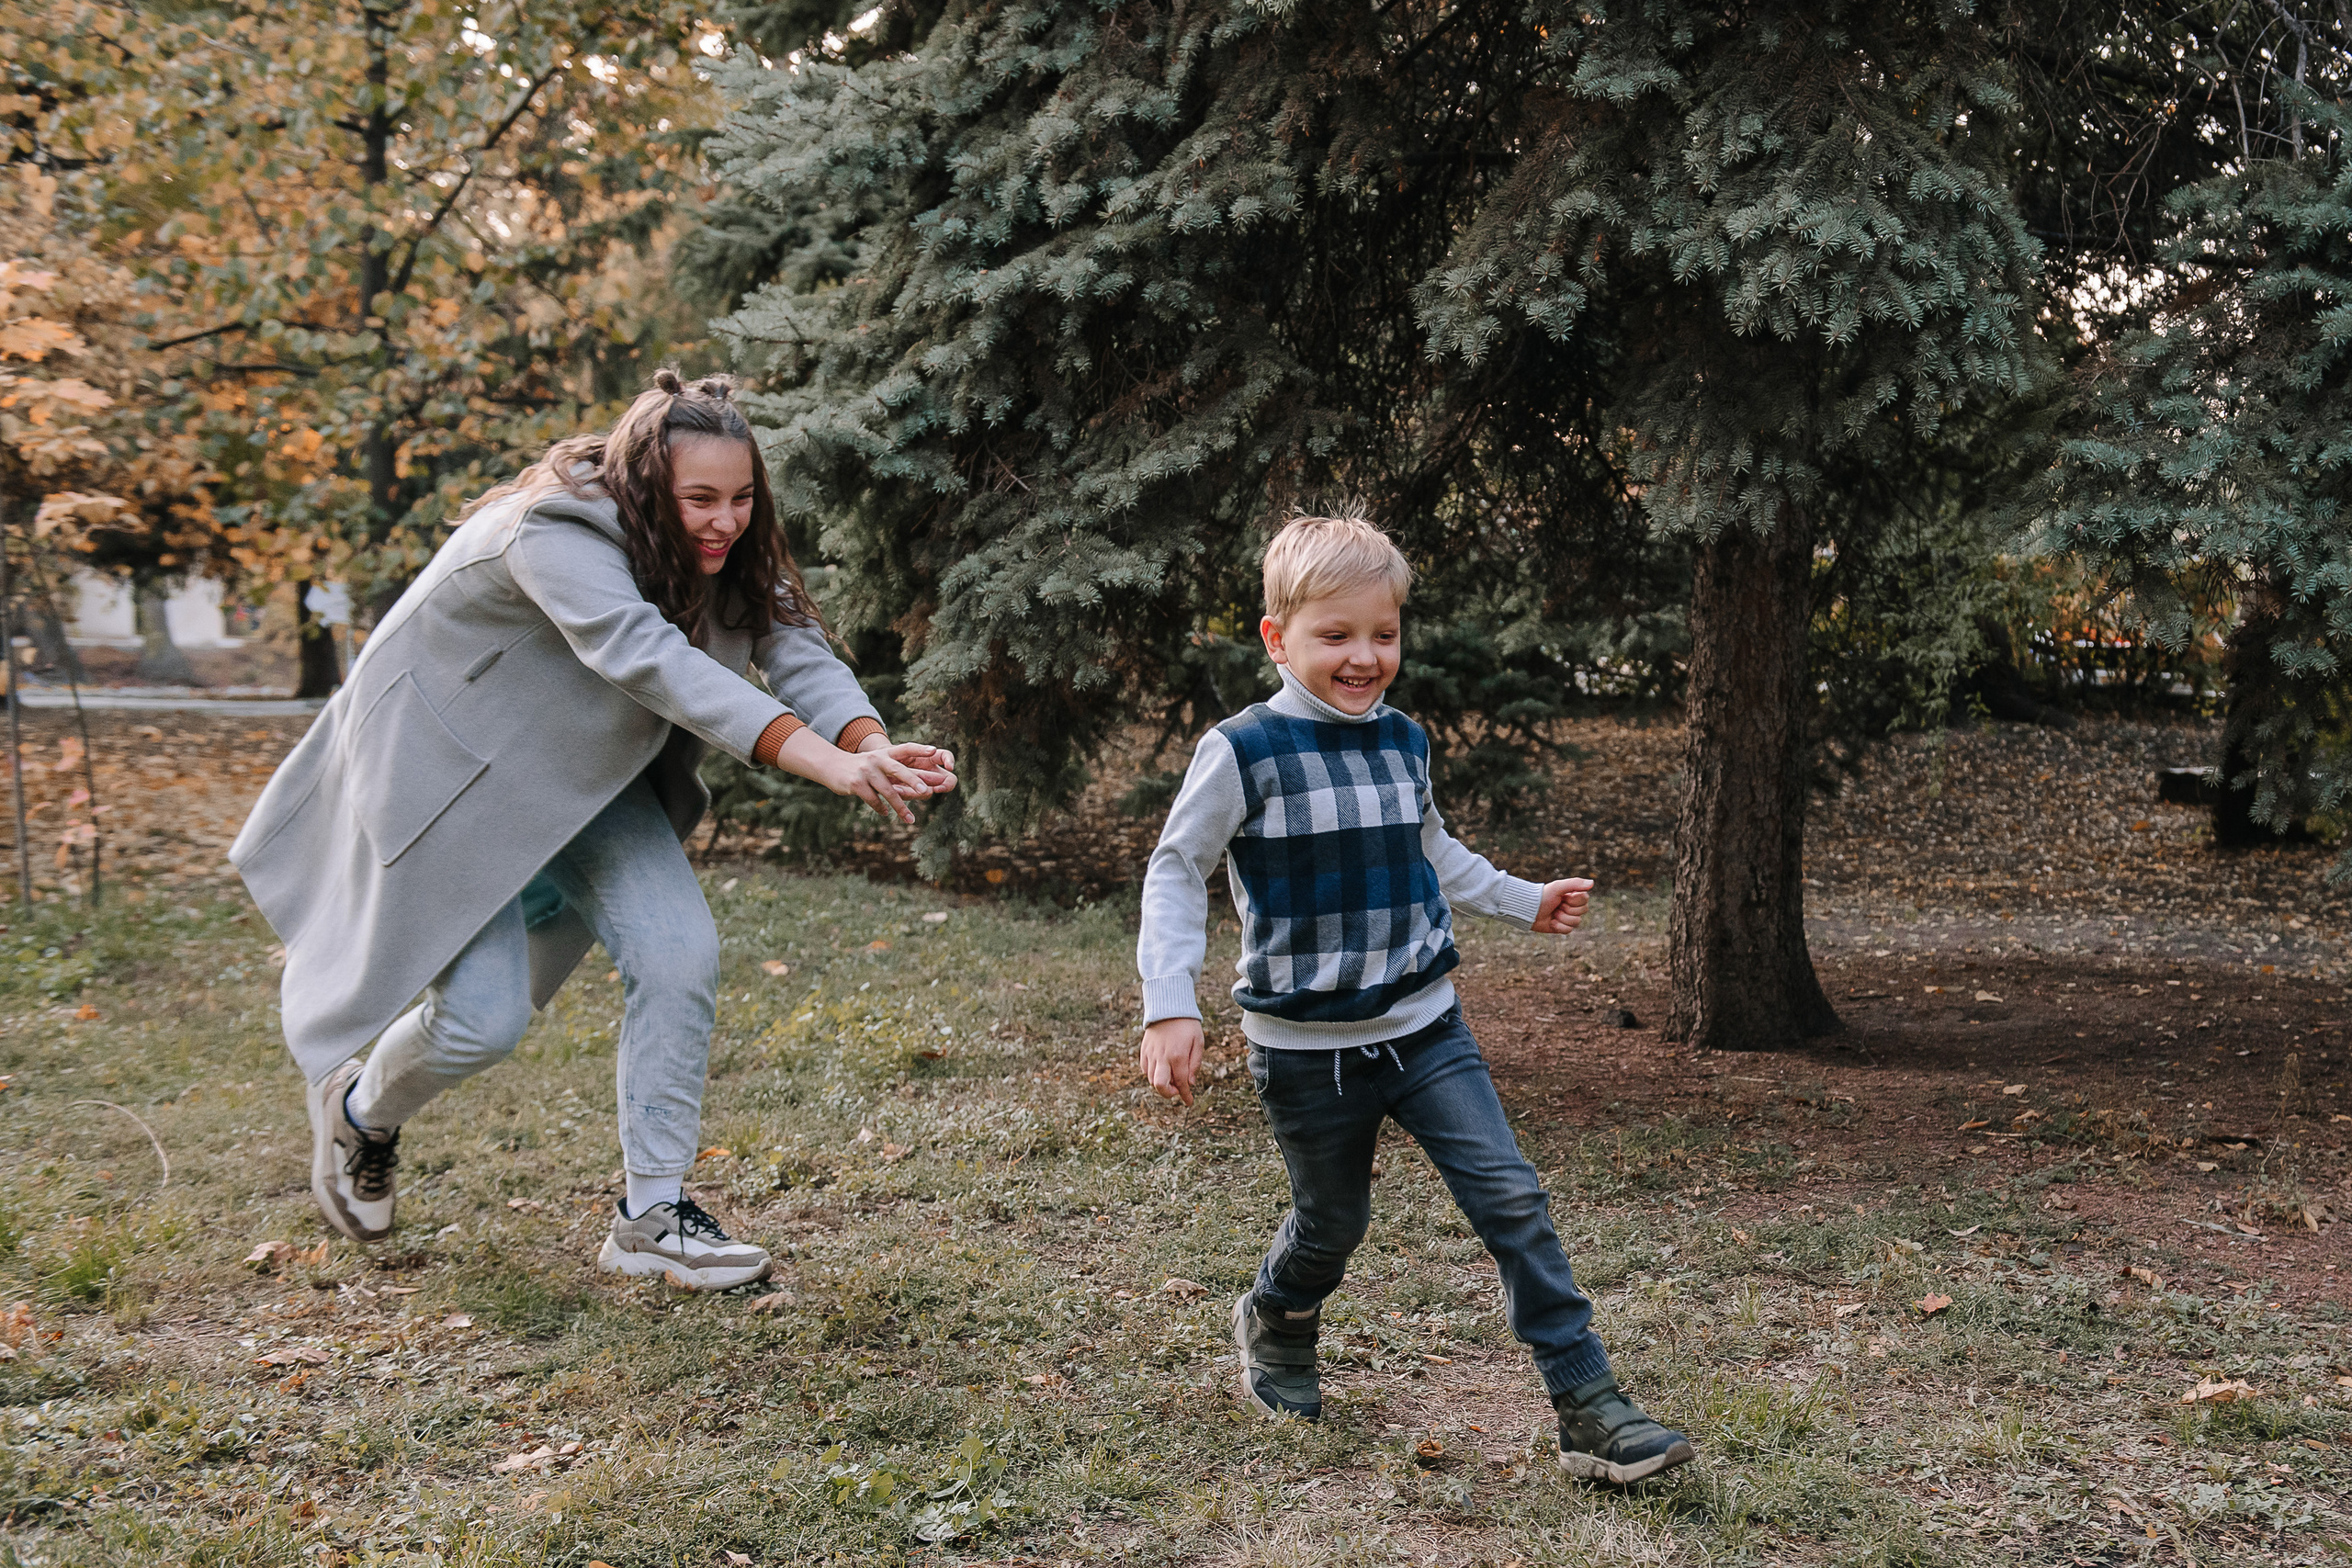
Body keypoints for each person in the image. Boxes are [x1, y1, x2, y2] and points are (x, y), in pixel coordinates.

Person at [232, 370, 955, 1291]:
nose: (724, 521)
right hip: (449, 774)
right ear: (649, 485)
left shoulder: (727, 543)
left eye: (740, 498)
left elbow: (792, 643)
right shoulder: (554, 529)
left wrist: (869, 744)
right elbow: (650, 660)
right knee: (483, 1023)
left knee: (679, 952)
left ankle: (651, 1217)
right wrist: (826, 763)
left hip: (583, 778)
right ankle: (362, 1113)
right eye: (699, 499)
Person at [1134, 509, 1694, 1484]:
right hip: (1304, 1047)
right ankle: (1279, 1315)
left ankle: (1587, 1404)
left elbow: (1429, 847)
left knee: (1511, 1197)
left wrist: (1524, 901)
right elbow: (1177, 868)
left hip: (1426, 1028)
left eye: (1382, 635)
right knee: (1331, 1225)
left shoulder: (1403, 741)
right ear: (1277, 638)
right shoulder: (1243, 750)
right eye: (1336, 636)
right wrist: (1167, 1001)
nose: (1363, 657)